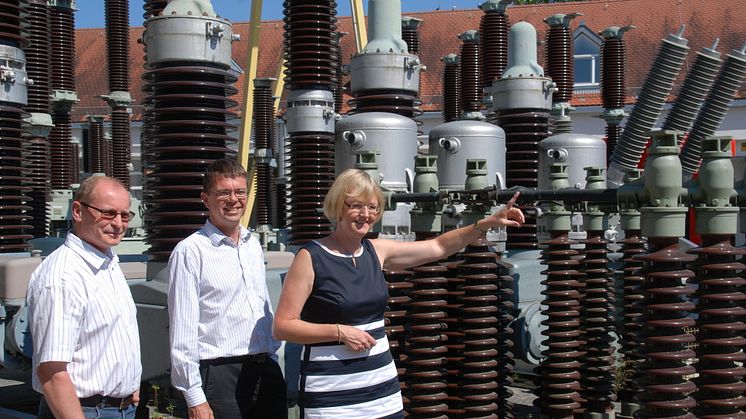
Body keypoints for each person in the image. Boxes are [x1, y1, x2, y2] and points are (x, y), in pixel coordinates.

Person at [273, 169, 524, 418]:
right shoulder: (311, 257)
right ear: (338, 205)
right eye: (357, 206)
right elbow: (283, 327)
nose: (366, 215)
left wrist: (485, 224)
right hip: (333, 394)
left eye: (373, 208)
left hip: (382, 391)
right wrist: (339, 332)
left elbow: (438, 246)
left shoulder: (375, 251)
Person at [168, 158, 287, 419]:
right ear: (205, 199)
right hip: (221, 378)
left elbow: (262, 306)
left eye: (240, 191)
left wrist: (272, 360)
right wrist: (195, 397)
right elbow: (182, 331)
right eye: (223, 192)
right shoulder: (190, 252)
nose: (234, 200)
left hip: (264, 369)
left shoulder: (252, 245)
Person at [27, 176, 142, 419]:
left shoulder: (107, 263)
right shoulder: (62, 277)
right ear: (78, 211)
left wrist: (128, 385)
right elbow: (52, 372)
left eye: (125, 215)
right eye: (108, 213)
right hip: (84, 411)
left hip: (118, 408)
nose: (119, 224)